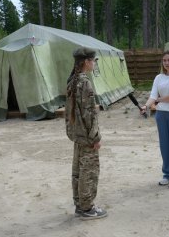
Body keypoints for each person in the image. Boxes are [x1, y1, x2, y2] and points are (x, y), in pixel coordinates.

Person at [65, 47, 107, 219]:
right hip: (87, 136)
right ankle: (87, 208)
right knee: (88, 171)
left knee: (79, 170)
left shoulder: (73, 80)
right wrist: (95, 137)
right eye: (93, 60)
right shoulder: (85, 83)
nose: (94, 64)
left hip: (78, 135)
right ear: (86, 62)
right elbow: (88, 114)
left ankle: (80, 205)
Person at [141, 50, 169, 189]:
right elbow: (152, 95)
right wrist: (146, 106)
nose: (166, 63)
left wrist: (158, 100)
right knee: (165, 146)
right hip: (161, 115)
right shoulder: (158, 77)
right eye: (164, 60)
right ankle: (167, 174)